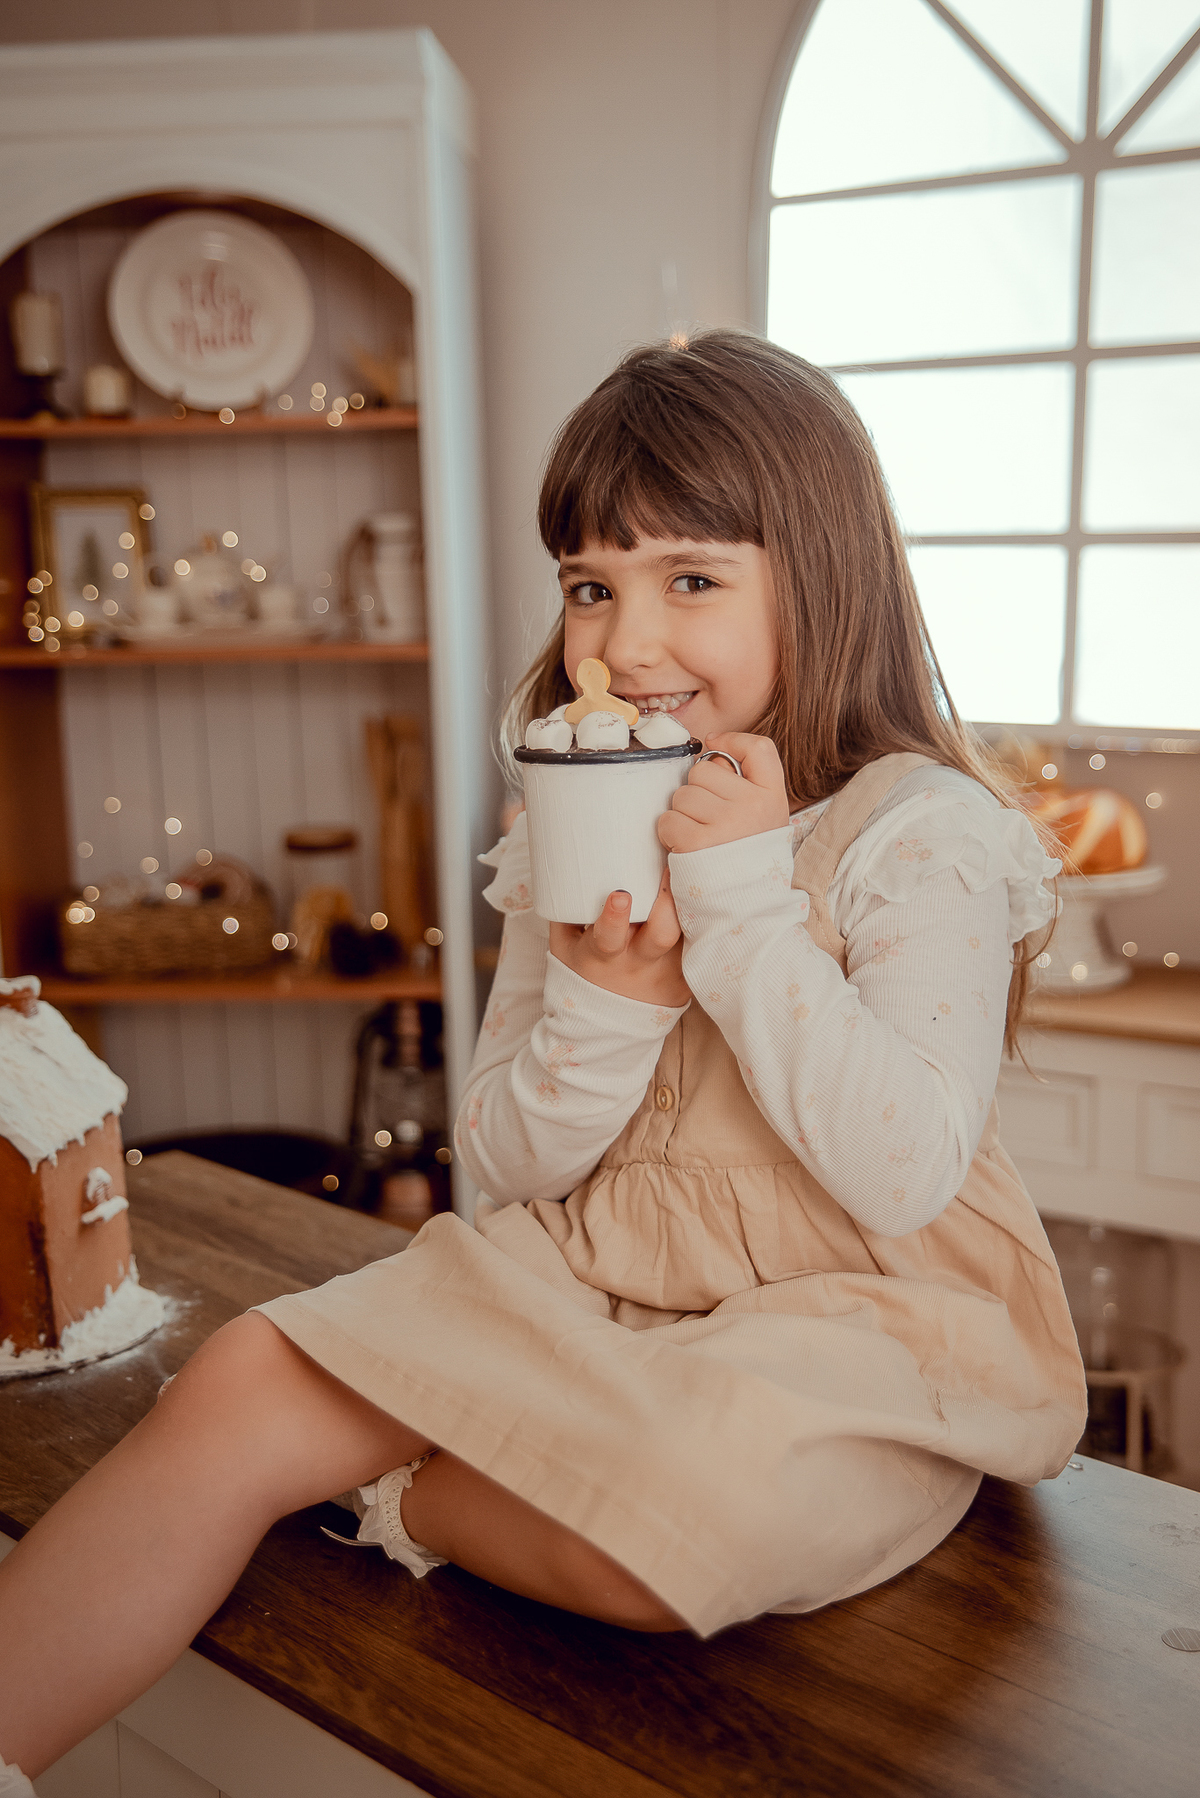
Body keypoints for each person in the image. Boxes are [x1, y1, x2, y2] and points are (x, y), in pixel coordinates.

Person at [0, 332, 1086, 1791]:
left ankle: (400, 1485)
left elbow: (902, 1173)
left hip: (857, 1315)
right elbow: (507, 1164)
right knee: (242, 1374)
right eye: (591, 586)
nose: (625, 644)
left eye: (690, 580)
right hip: (599, 1273)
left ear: (822, 581)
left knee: (678, 1520)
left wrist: (745, 905)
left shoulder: (919, 831)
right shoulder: (574, 810)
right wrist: (604, 1005)